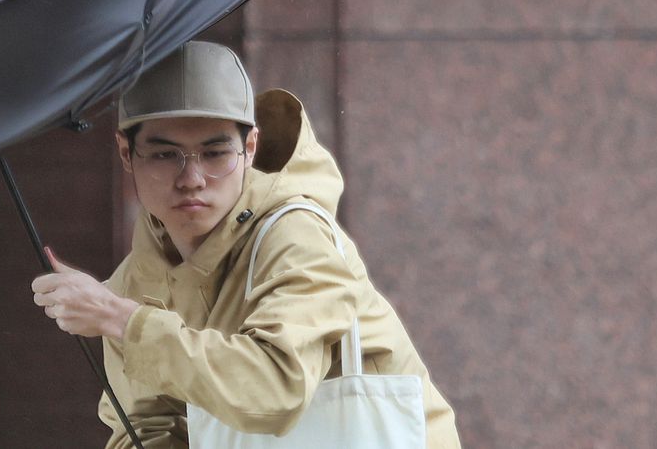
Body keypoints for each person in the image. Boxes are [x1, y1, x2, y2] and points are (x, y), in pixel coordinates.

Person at [31, 41, 460, 448]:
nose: (192, 179)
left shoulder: (295, 236)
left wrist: (121, 320)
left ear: (249, 147)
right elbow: (147, 426)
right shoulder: (133, 283)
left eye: (215, 154)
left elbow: (277, 389)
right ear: (126, 154)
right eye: (165, 155)